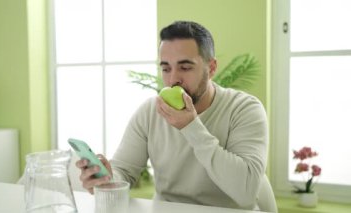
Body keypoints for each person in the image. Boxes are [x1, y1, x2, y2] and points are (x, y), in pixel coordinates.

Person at [76, 21, 269, 210]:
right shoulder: (150, 112)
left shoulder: (244, 109)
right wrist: (107, 180)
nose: (173, 79)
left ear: (211, 68)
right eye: (166, 68)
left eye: (185, 67)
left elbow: (247, 191)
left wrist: (191, 127)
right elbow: (124, 172)